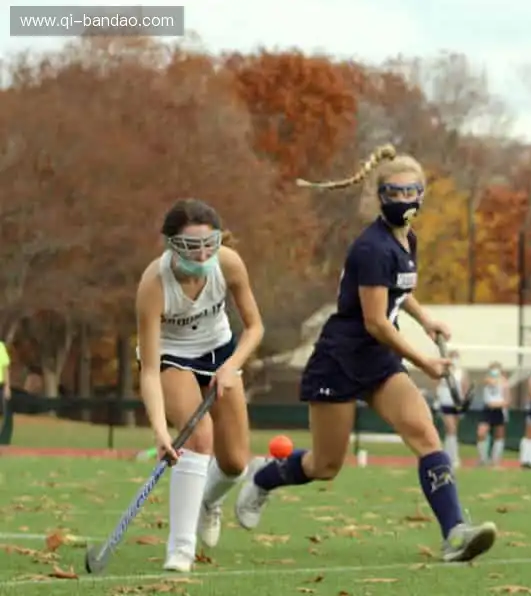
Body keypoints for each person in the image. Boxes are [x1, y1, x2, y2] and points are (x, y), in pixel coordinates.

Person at [233, 144, 497, 563]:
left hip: (378, 361)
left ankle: (455, 535)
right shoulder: (371, 248)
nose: (404, 200)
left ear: (422, 194)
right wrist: (424, 360)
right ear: (380, 197)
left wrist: (427, 320)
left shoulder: (407, 240)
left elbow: (400, 291)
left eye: (412, 192)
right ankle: (264, 477)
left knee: (426, 436)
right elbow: (375, 321)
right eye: (394, 193)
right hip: (341, 358)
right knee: (325, 465)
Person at [134, 199, 265, 572]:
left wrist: (231, 367)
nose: (204, 253)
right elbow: (148, 371)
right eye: (193, 246)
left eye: (210, 244)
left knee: (236, 463)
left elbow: (255, 328)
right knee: (198, 437)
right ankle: (181, 549)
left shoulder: (229, 263)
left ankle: (209, 501)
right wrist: (160, 431)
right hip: (172, 356)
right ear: (171, 244)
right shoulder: (154, 285)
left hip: (221, 352)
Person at [435, 349, 470, 468]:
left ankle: (450, 455)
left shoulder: (461, 373)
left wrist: (463, 405)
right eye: (452, 356)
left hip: (457, 404)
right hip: (445, 403)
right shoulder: (443, 371)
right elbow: (437, 385)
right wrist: (437, 399)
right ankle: (451, 458)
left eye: (456, 357)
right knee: (451, 429)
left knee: (453, 431)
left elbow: (465, 388)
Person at [475, 362, 509, 467]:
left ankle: (495, 460)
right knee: (481, 433)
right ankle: (483, 459)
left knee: (499, 435)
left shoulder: (504, 382)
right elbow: (489, 382)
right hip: (487, 409)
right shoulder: (487, 379)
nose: (494, 371)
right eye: (493, 369)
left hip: (499, 409)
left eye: (496, 369)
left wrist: (501, 403)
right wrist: (497, 380)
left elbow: (507, 399)